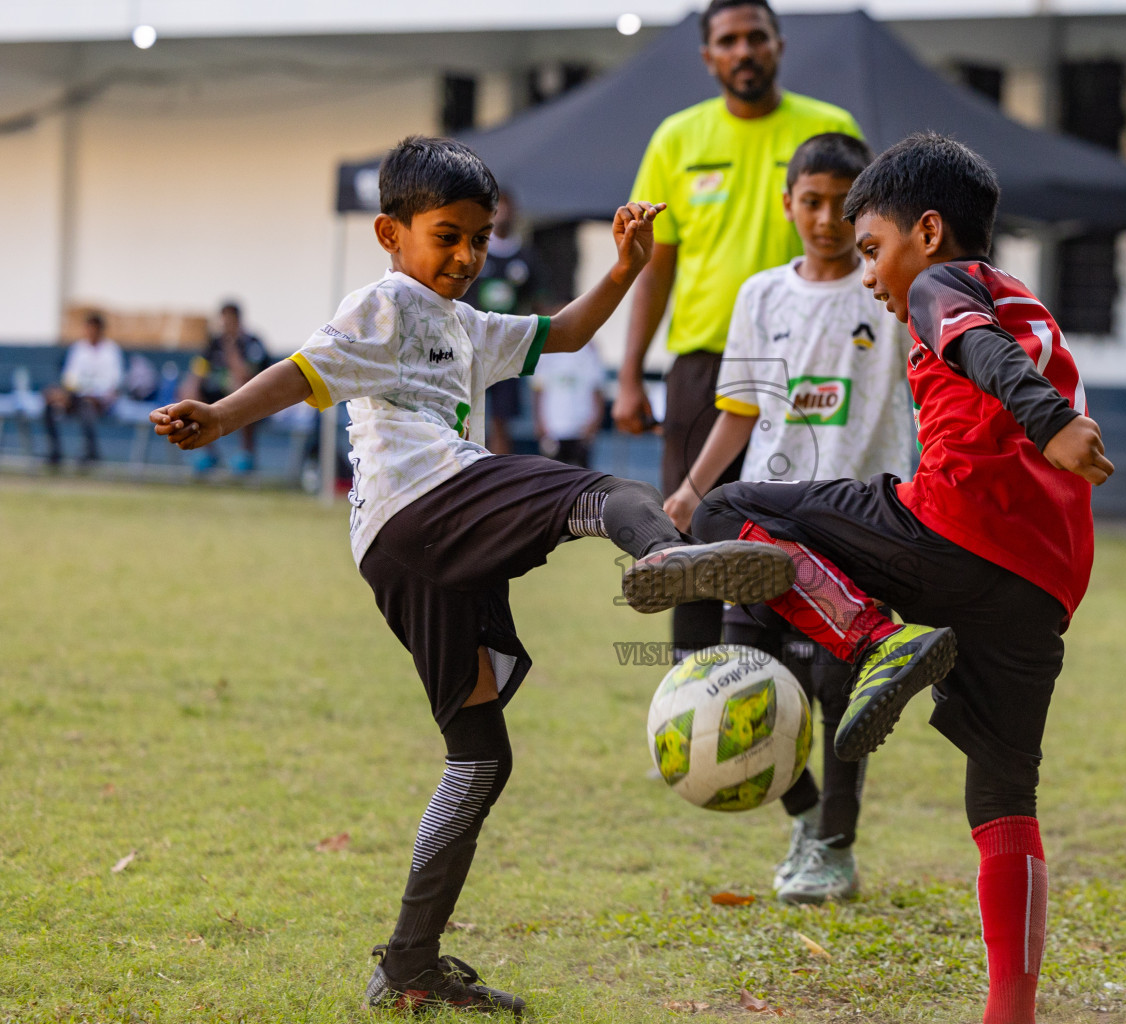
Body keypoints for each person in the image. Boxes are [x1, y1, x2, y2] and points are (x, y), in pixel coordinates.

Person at [149, 135, 794, 1014]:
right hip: (425, 498)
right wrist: (219, 417)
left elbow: (564, 333)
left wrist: (626, 270)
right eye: (445, 234)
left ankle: (408, 962)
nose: (463, 255)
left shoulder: (467, 323)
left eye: (478, 238)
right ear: (391, 233)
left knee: (480, 756)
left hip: (401, 551)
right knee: (607, 490)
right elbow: (301, 374)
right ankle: (665, 559)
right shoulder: (386, 303)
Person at [681, 134, 1116, 1024]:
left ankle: (877, 639)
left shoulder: (937, 285)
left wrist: (1051, 421)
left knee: (731, 511)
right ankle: (1011, 1012)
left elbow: (981, 350)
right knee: (1004, 796)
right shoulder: (1022, 295)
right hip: (1042, 584)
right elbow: (999, 343)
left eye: (873, 247)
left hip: (950, 531)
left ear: (928, 229)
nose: (872, 274)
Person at [663, 133, 912, 904]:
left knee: (842, 685)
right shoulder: (761, 295)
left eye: (844, 203)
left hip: (865, 519)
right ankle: (805, 816)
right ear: (788, 204)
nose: (827, 218)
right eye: (812, 201)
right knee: (746, 683)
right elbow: (740, 412)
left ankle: (835, 848)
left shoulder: (893, 292)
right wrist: (693, 489)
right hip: (769, 523)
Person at [615, 0, 863, 664]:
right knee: (690, 526)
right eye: (730, 40)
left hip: (807, 363)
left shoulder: (829, 128)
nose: (745, 50)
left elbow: (866, 242)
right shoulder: (677, 138)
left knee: (798, 527)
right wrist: (632, 373)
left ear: (779, 45)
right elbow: (655, 265)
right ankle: (694, 704)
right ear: (709, 57)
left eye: (757, 37)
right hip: (701, 366)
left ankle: (798, 680)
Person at [467, 186, 557, 455]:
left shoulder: (526, 257)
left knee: (501, 421)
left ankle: (496, 480)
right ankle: (465, 475)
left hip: (507, 348)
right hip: (472, 347)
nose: (504, 213)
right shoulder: (474, 250)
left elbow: (542, 304)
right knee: (468, 416)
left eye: (508, 207)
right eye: (499, 208)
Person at [183, 302, 269, 474]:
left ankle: (246, 455)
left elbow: (245, 376)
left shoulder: (252, 343)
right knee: (191, 400)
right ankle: (208, 454)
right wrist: (189, 391)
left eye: (228, 322)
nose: (224, 327)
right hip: (215, 396)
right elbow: (199, 370)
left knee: (242, 393)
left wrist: (231, 349)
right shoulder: (214, 343)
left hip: (251, 401)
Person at [43, 311, 123, 467]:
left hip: (99, 400)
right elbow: (70, 377)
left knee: (87, 406)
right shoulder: (78, 348)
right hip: (76, 396)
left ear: (100, 330)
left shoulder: (111, 350)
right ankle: (55, 453)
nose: (90, 333)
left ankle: (91, 453)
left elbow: (113, 381)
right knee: (50, 405)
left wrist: (91, 391)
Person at [532, 343, 607, 468]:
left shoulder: (590, 349)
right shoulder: (548, 349)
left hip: (581, 430)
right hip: (553, 430)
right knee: (553, 479)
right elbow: (539, 388)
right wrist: (540, 423)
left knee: (583, 481)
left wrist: (593, 425)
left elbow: (597, 389)